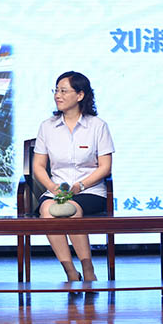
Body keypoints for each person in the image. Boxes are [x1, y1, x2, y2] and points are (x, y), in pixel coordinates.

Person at [32, 71, 115, 283]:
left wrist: (80, 186)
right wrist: (52, 187)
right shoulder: (47, 127)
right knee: (48, 211)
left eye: (63, 91)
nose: (57, 95)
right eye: (56, 91)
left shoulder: (97, 126)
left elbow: (105, 167)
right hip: (56, 191)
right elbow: (38, 166)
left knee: (70, 210)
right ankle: (70, 271)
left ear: (80, 95)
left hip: (90, 190)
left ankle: (88, 268)